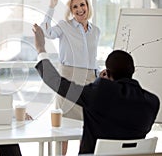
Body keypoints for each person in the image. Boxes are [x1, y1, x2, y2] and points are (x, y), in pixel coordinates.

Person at [32, 24, 160, 154]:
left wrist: (41, 48)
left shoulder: (100, 92)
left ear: (107, 73)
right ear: (133, 71)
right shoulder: (152, 102)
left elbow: (55, 82)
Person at [40, 0, 100, 154]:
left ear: (88, 6)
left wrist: (99, 73)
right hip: (68, 81)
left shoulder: (96, 31)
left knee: (87, 130)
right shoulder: (64, 26)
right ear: (71, 10)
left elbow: (92, 58)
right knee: (63, 130)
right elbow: (46, 32)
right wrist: (51, 6)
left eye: (82, 5)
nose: (80, 9)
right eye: (75, 7)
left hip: (89, 83)